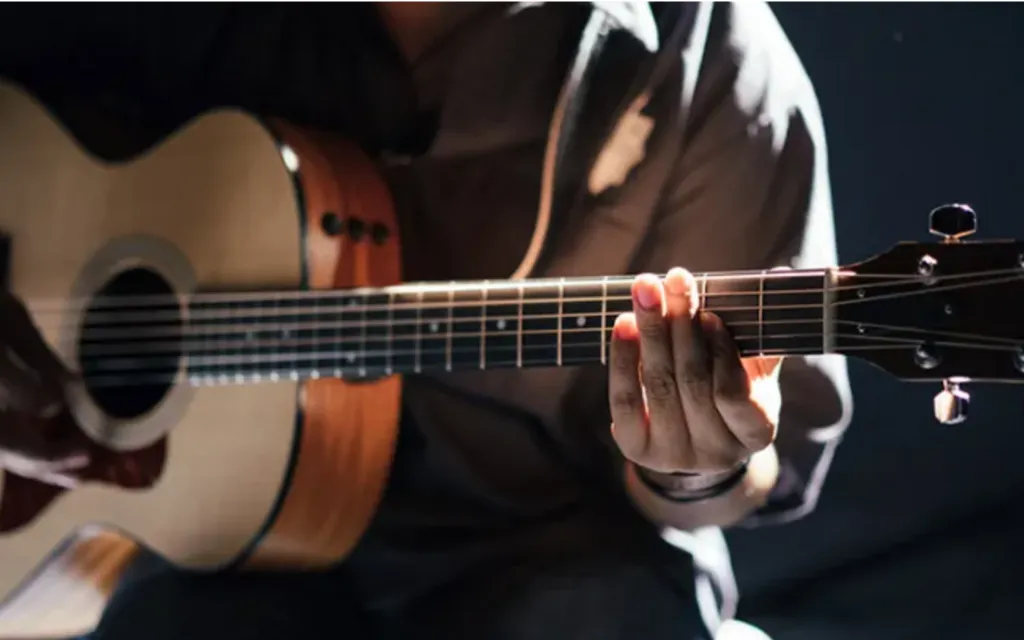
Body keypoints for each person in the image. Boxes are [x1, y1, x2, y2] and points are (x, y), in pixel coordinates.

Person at [0, 3, 853, 639]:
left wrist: (693, 469)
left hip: (563, 551)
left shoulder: (712, 56)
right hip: (223, 555)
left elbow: (742, 481)